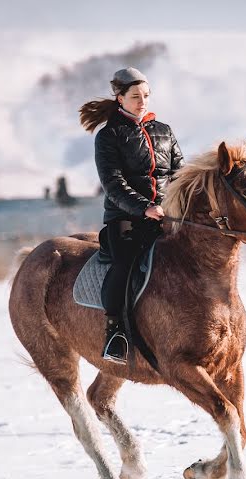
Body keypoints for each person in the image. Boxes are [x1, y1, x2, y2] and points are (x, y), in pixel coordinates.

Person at [79, 67, 183, 363]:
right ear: (120, 97)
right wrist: (144, 207)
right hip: (126, 218)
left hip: (167, 214)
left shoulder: (164, 130)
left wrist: (179, 203)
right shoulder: (108, 136)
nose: (142, 102)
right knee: (124, 264)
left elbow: (180, 174)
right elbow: (113, 184)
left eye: (146, 96)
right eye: (136, 96)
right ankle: (115, 333)